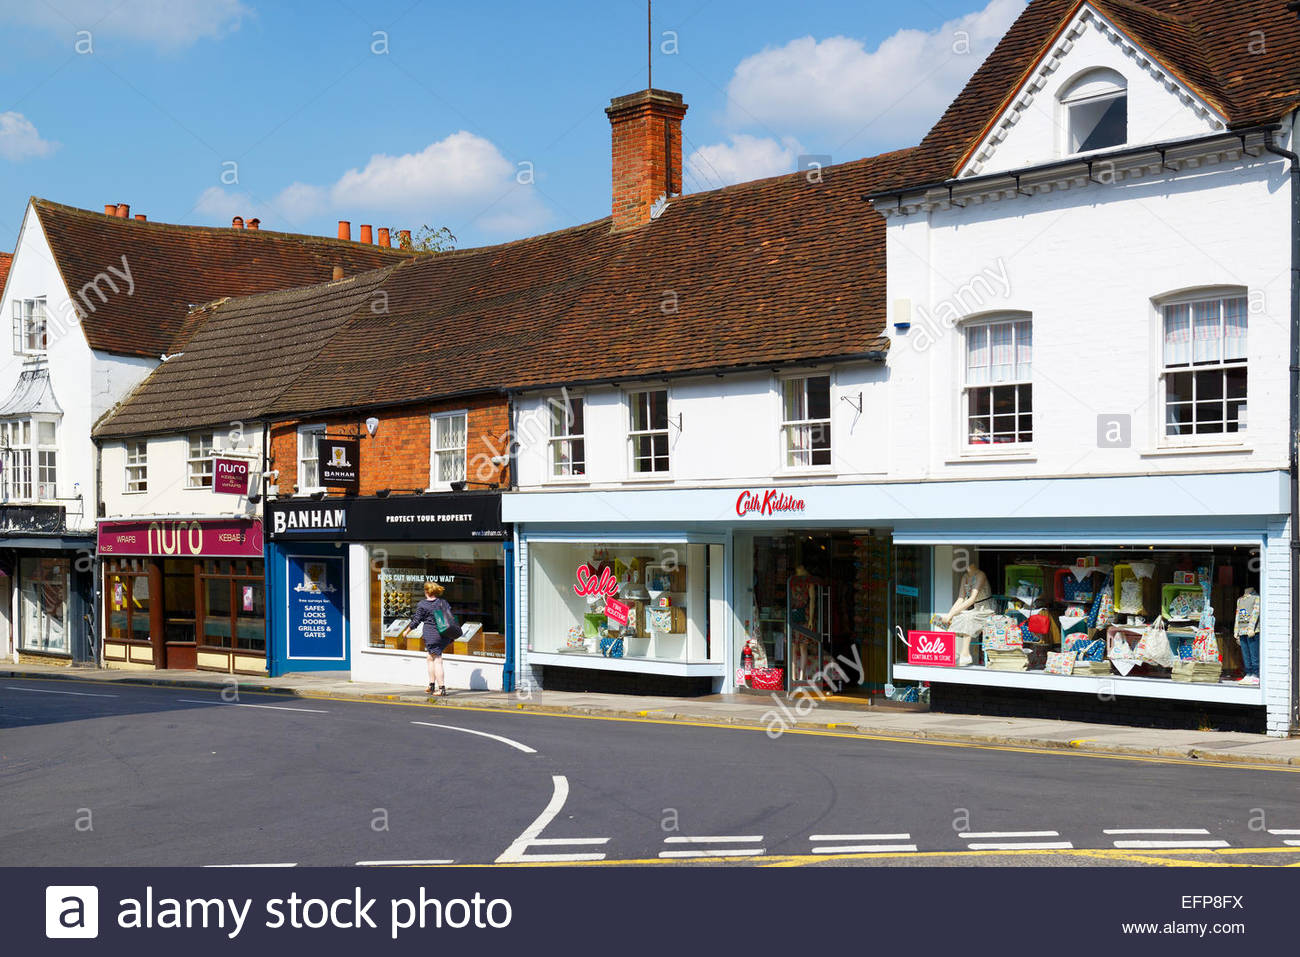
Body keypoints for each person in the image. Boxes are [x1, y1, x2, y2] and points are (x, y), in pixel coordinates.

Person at [397, 582, 462, 696]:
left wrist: (407, 631)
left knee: (437, 660)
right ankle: (431, 685)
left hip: (432, 635)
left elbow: (416, 621)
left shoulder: (423, 604)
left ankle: (441, 689)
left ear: (426, 591)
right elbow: (449, 615)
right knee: (430, 658)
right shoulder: (443, 602)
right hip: (444, 634)